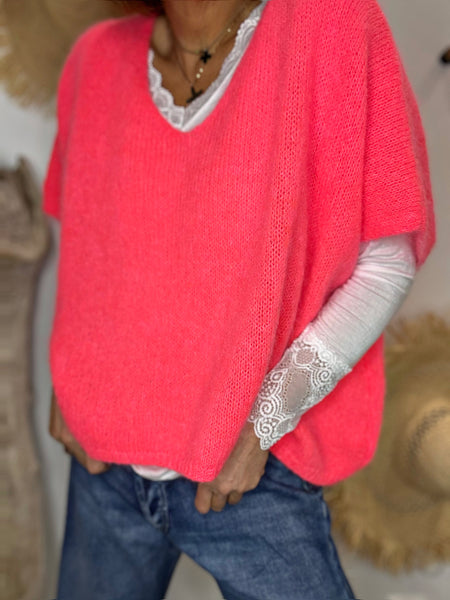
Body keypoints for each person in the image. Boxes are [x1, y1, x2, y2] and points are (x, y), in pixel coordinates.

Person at [43, 0, 436, 598]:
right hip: (105, 466)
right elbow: (89, 243)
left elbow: (385, 263)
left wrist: (262, 425)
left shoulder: (332, 25)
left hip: (253, 472)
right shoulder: (96, 58)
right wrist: (69, 378)